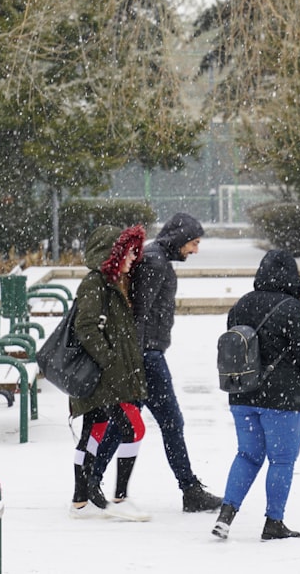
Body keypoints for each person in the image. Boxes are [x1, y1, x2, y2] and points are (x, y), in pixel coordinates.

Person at [97, 212, 222, 512]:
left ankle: (89, 478)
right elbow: (138, 316)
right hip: (147, 357)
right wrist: (135, 363)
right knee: (171, 422)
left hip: (145, 354)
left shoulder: (156, 258)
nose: (195, 250)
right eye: (193, 243)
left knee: (123, 423)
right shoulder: (155, 262)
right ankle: (190, 490)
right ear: (179, 239)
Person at [212, 249, 300, 541]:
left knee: (247, 455)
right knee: (281, 461)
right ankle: (273, 522)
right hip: (283, 401)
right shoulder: (293, 309)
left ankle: (226, 514)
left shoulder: (241, 305)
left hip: (243, 395)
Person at [68, 224, 149, 521]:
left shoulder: (115, 283)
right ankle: (121, 496)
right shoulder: (95, 284)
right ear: (111, 254)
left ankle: (80, 501)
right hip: (107, 378)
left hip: (109, 377)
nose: (133, 257)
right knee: (134, 429)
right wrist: (110, 361)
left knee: (95, 432)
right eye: (129, 252)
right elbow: (86, 326)